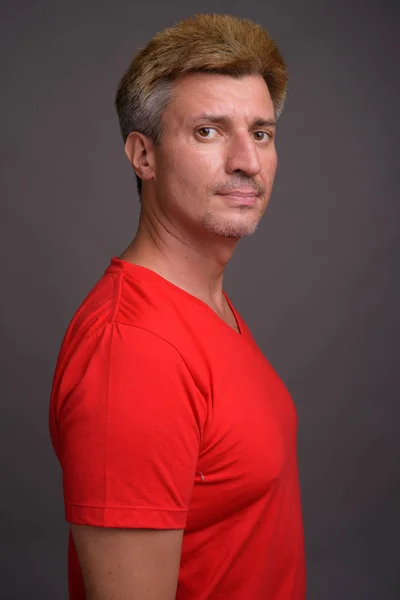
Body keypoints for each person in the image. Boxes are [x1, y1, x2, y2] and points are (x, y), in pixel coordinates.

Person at [49, 13, 306, 600]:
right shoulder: (133, 350)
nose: (247, 161)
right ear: (144, 156)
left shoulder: (207, 306)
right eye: (209, 132)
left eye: (261, 133)